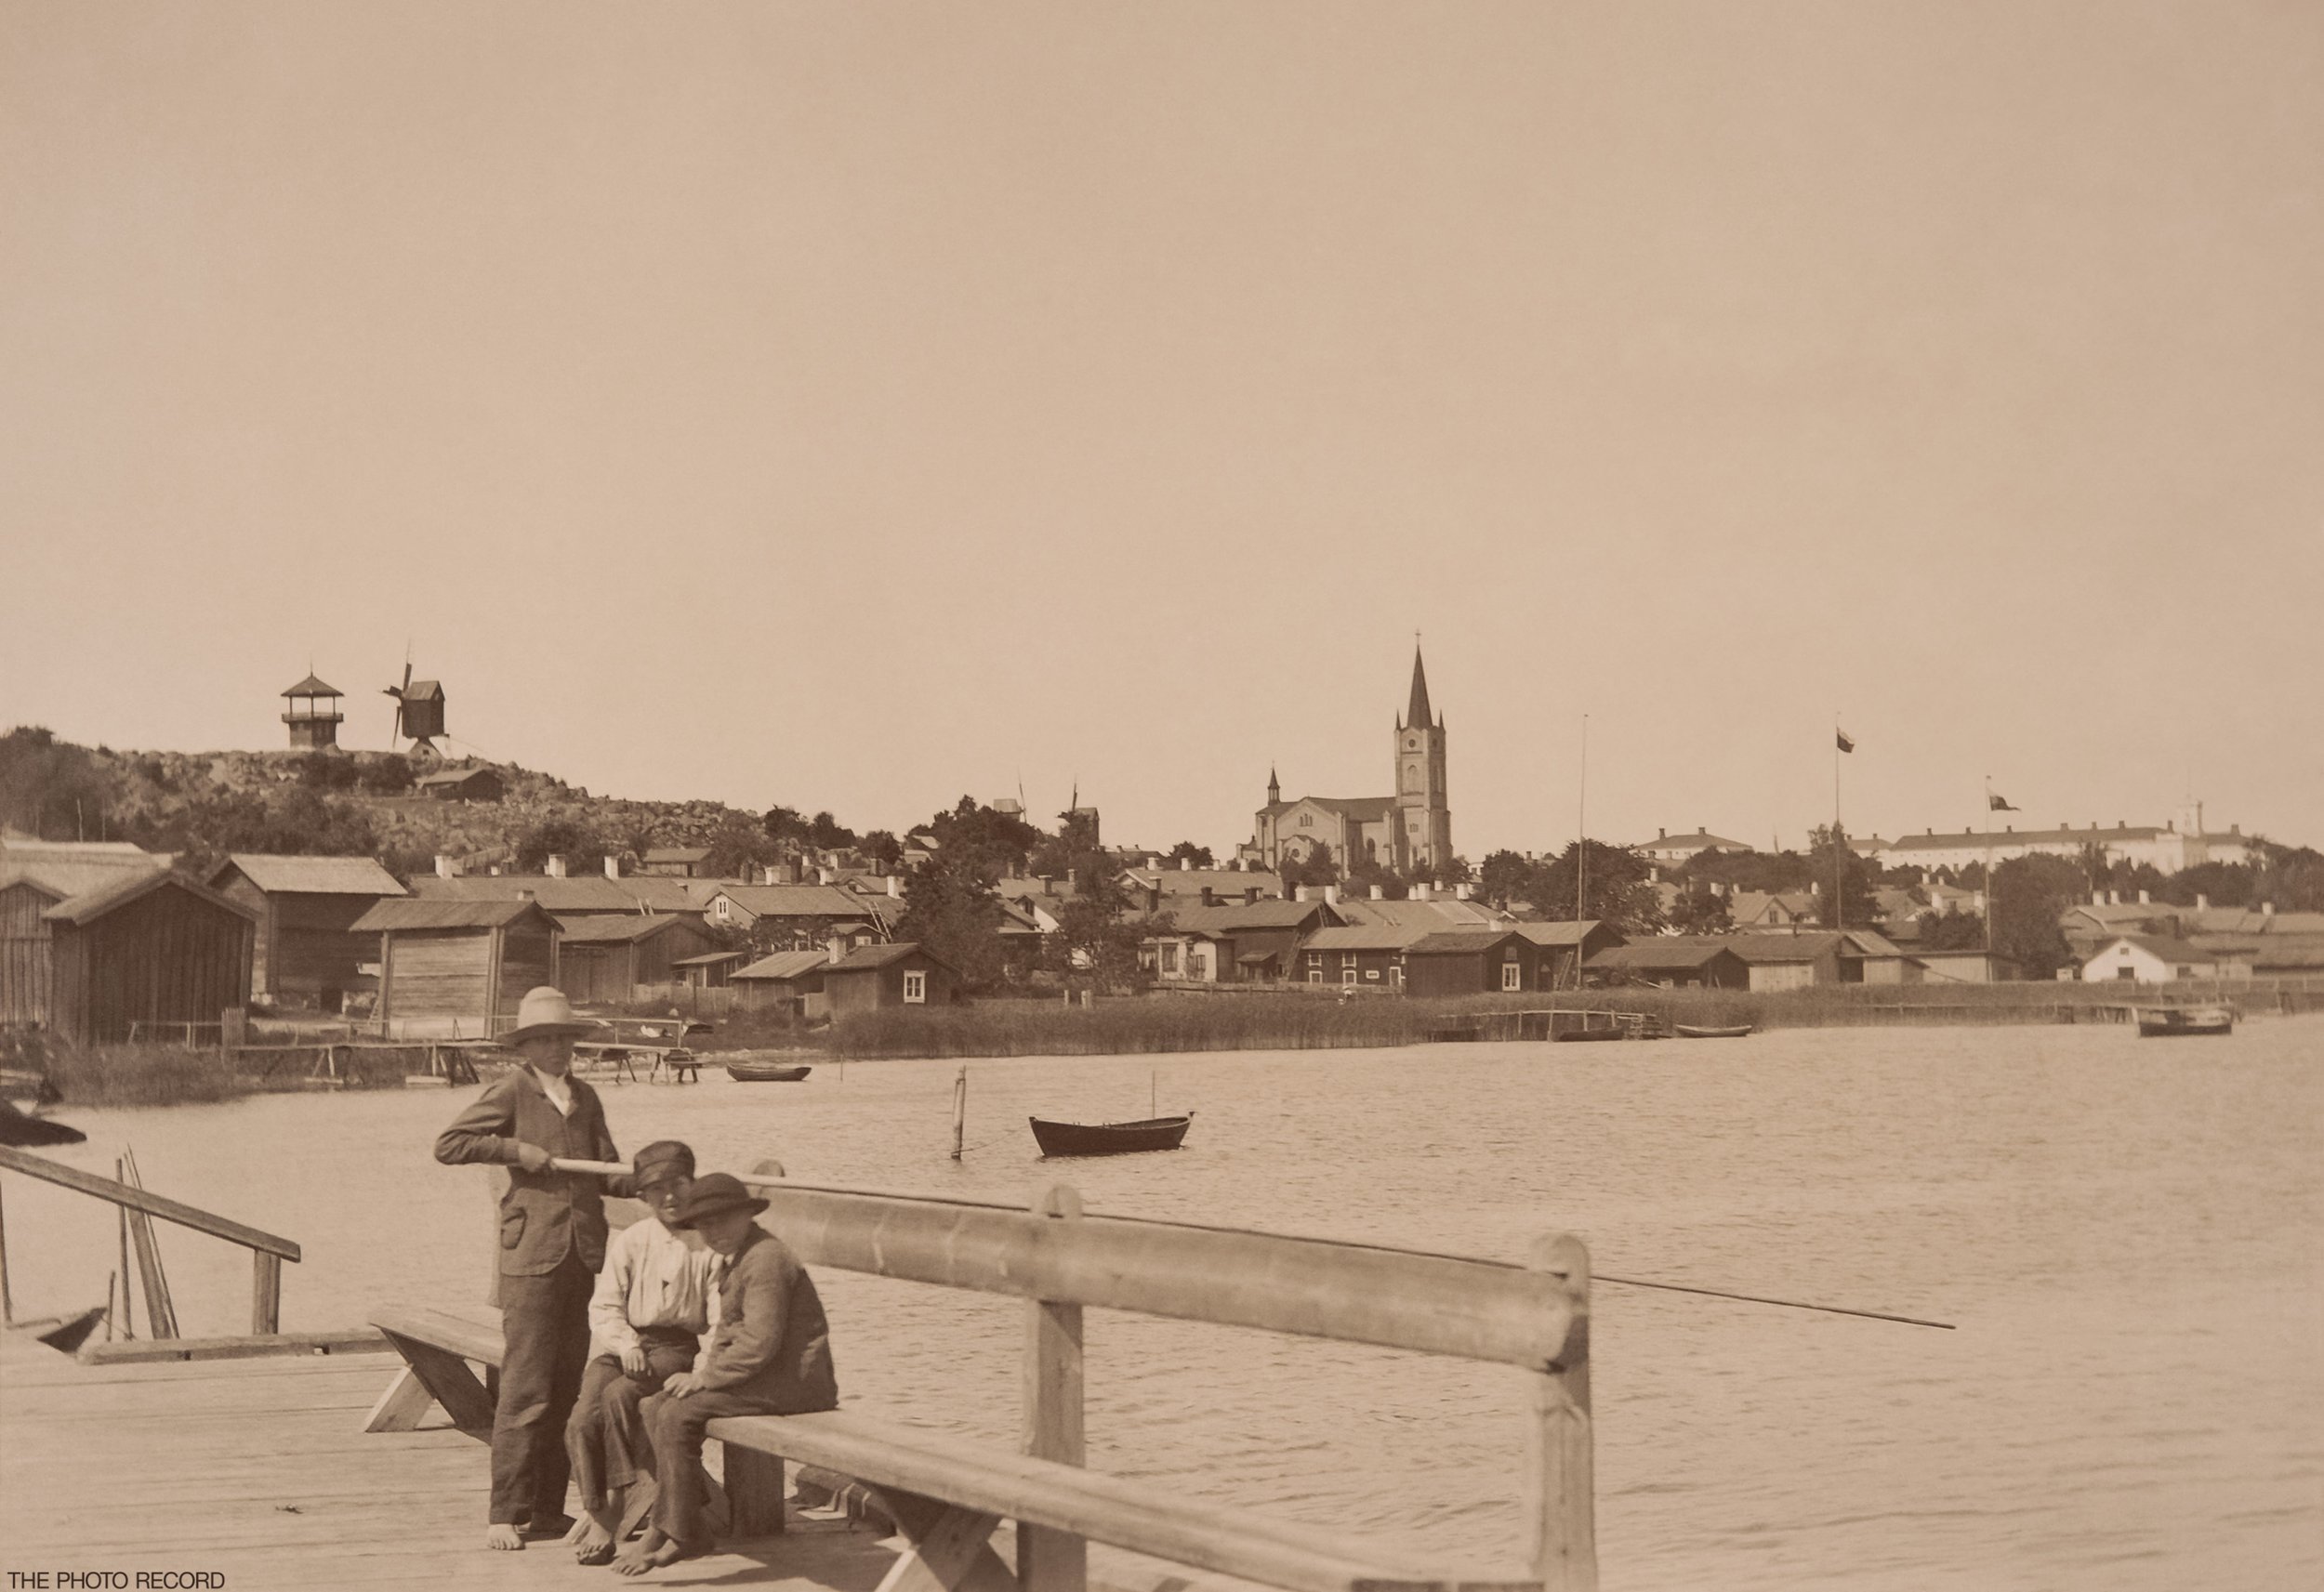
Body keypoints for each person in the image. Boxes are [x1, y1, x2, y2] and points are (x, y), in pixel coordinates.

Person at [434, 984, 627, 1552]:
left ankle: (547, 1510)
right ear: (527, 1046)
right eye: (546, 1039)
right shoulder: (512, 1092)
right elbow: (450, 1144)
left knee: (567, 1388)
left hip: (583, 1255)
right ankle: (504, 1513)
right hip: (532, 1259)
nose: (558, 1048)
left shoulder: (586, 1097)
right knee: (525, 1390)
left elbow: (605, 1167)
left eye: (565, 1038)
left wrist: (655, 1179)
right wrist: (515, 1152)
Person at [615, 1172, 838, 1576]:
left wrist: (703, 1379)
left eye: (721, 1219)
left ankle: (671, 1531)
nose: (712, 1231)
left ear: (746, 1216)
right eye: (703, 1224)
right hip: (762, 1379)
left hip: (795, 1385)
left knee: (678, 1413)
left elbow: (759, 1343)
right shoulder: (738, 1258)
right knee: (653, 1405)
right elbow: (726, 1336)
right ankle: (688, 1526)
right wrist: (706, 1371)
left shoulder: (766, 1260)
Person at [564, 1139, 720, 1566]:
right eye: (657, 1189)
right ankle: (596, 1509)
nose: (669, 1197)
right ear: (643, 1196)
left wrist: (707, 1371)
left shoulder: (706, 1244)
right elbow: (605, 1305)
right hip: (625, 1342)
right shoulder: (634, 1239)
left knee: (620, 1397)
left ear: (693, 1185)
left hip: (673, 1348)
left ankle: (615, 1507)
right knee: (581, 1418)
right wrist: (626, 1343)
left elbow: (720, 1313)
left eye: (679, 1185)